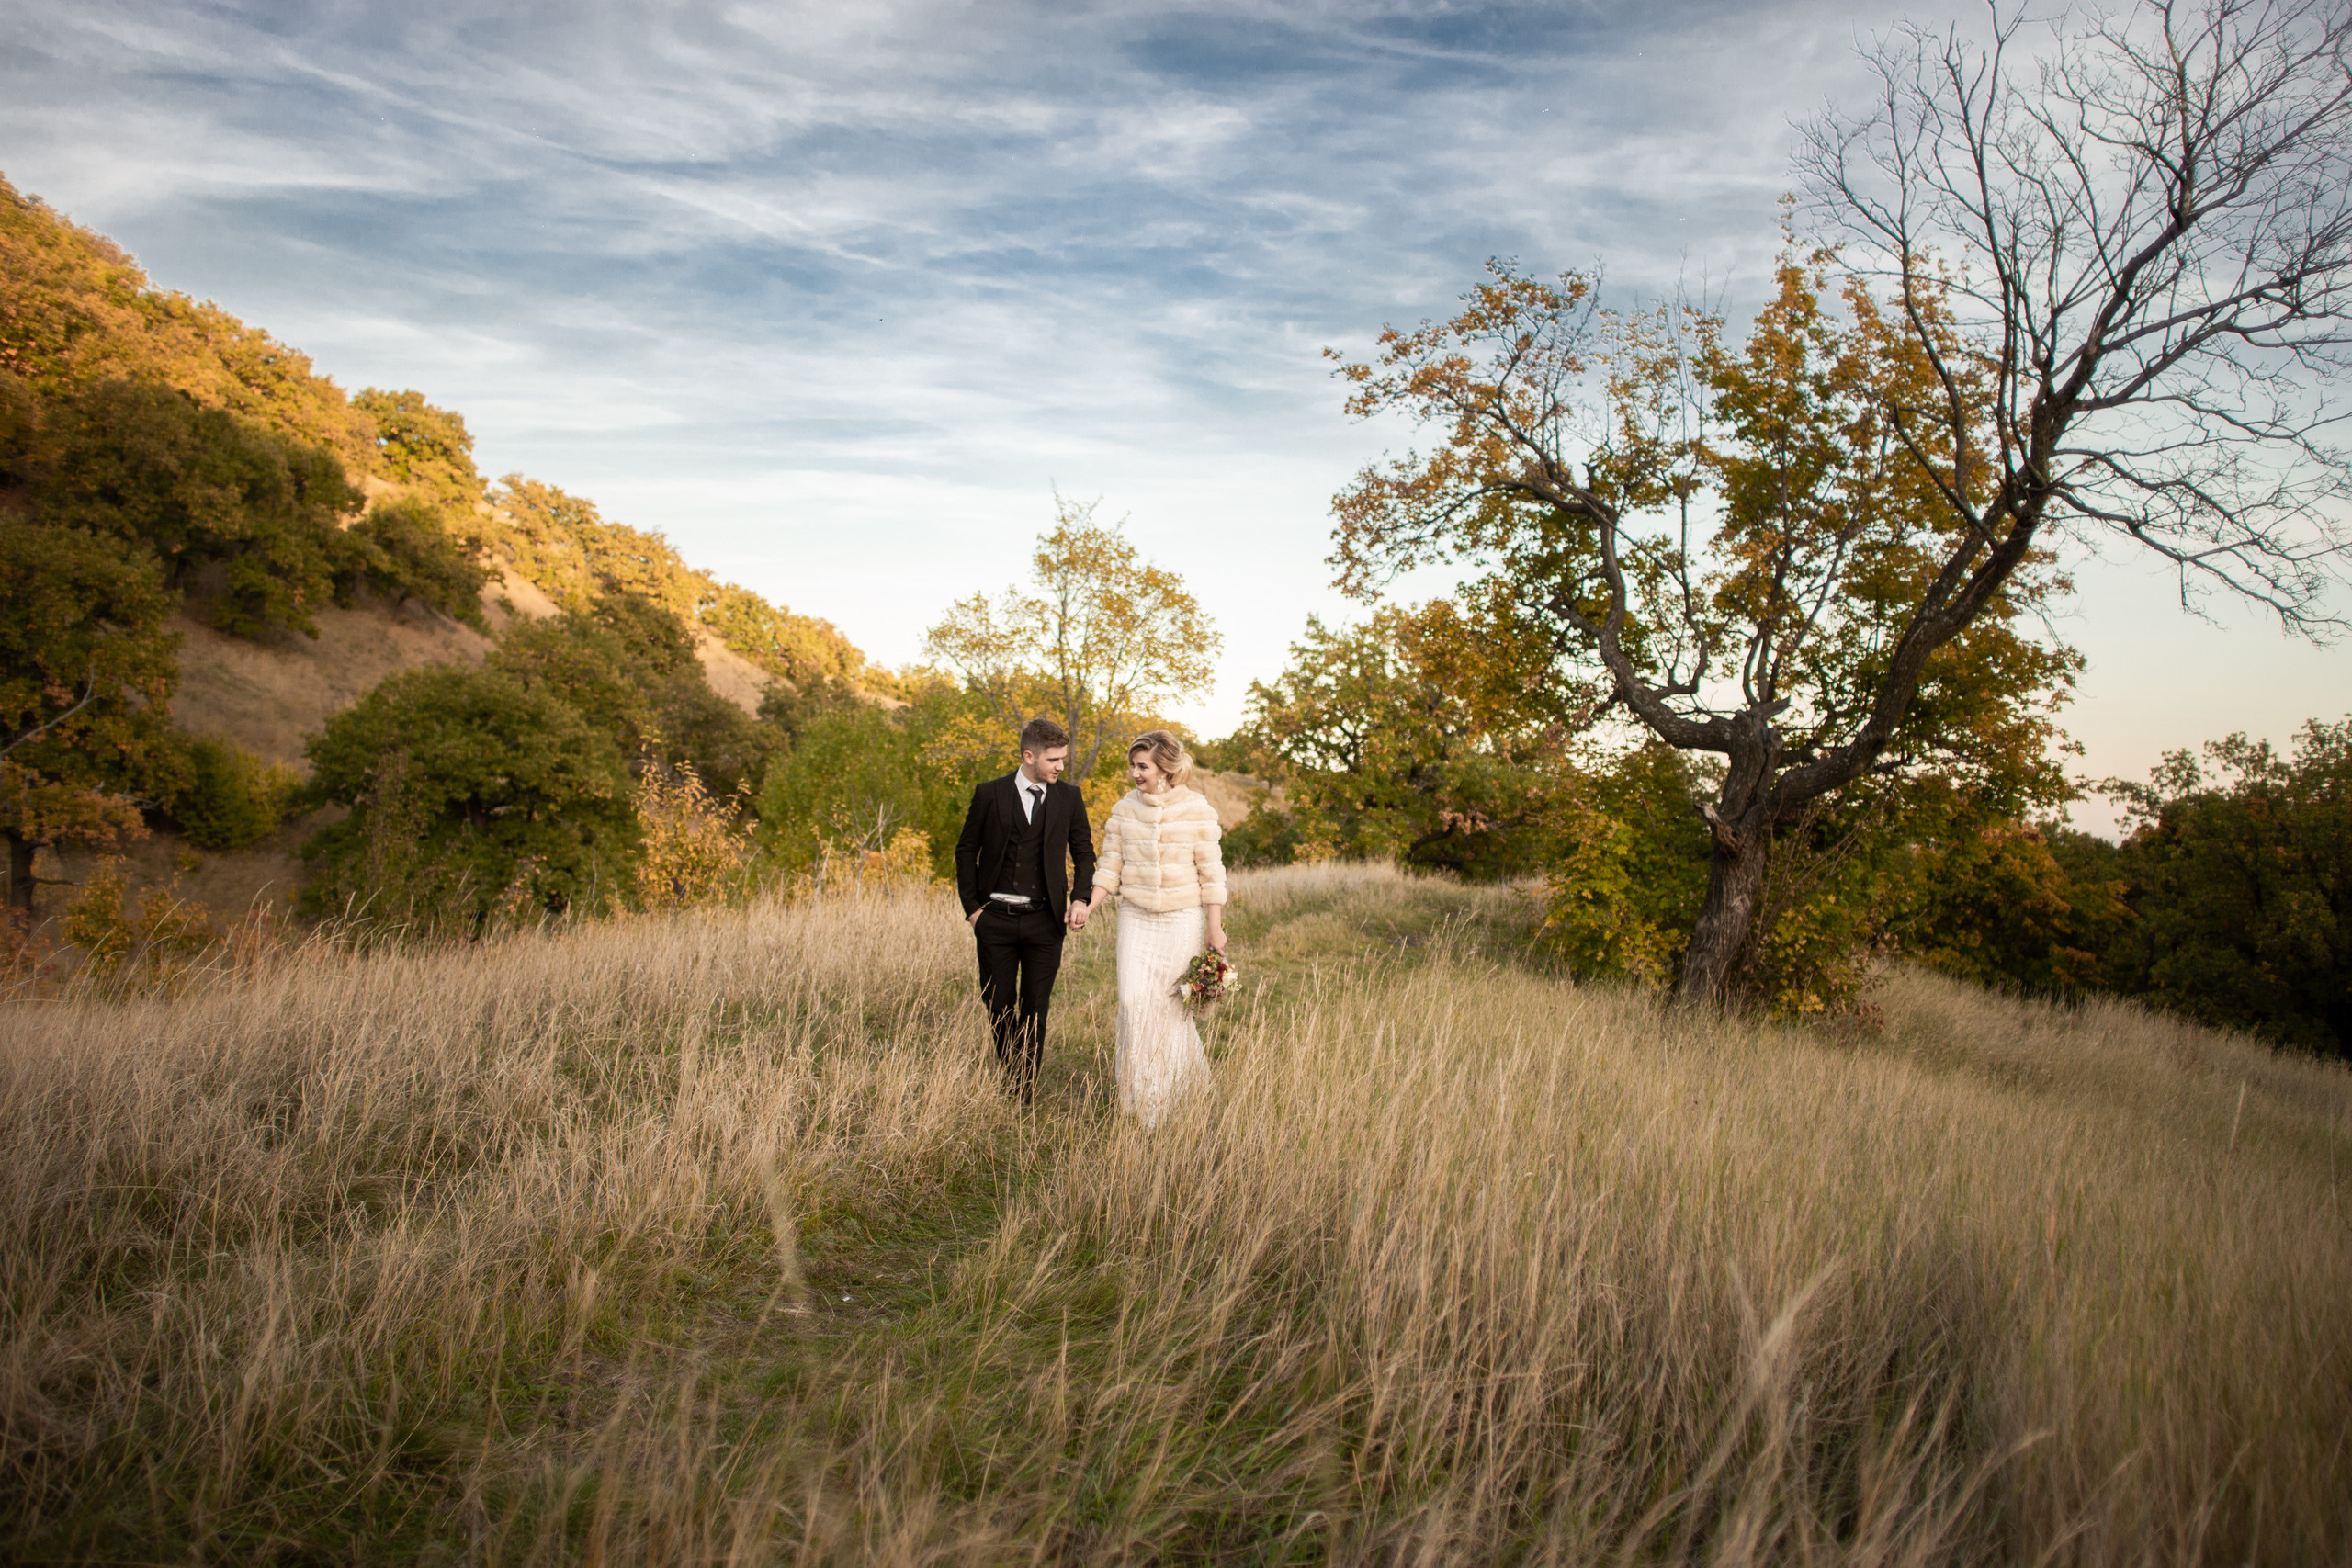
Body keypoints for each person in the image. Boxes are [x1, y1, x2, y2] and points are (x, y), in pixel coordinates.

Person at [1069, 729, 1227, 1128]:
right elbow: (1110, 867)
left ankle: (1173, 1100)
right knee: (1132, 1002)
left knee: (1169, 1008)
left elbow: (1212, 875)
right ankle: (1138, 1099)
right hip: (1135, 917)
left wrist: (1215, 929)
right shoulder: (1125, 809)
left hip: (1181, 919)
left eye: (1143, 766)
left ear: (1166, 770)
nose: (1135, 773)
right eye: (1133, 766)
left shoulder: (1198, 810)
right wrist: (1088, 906)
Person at [955, 716, 1097, 1105]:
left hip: (1045, 922)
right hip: (994, 920)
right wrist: (973, 910)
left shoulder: (1069, 798)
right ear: (1028, 756)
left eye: (1063, 759)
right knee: (998, 1005)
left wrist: (1080, 898)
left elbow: (1084, 853)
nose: (1060, 766)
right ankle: (1010, 1070)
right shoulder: (990, 793)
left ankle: (1022, 1091)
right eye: (1053, 759)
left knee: (1035, 1008)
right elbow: (966, 851)